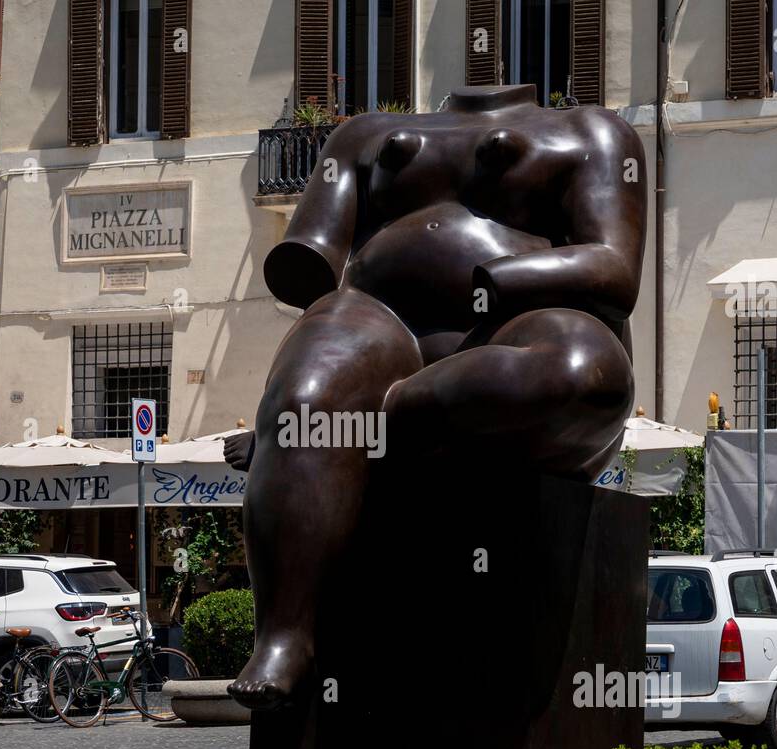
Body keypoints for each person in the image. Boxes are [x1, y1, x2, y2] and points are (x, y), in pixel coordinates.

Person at [226, 85, 647, 709]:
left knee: (581, 375)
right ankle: (286, 635)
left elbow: (615, 270)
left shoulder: (593, 132)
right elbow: (311, 255)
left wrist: (502, 276)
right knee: (305, 395)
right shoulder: (361, 135)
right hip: (381, 321)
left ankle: (364, 427)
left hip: (529, 319)